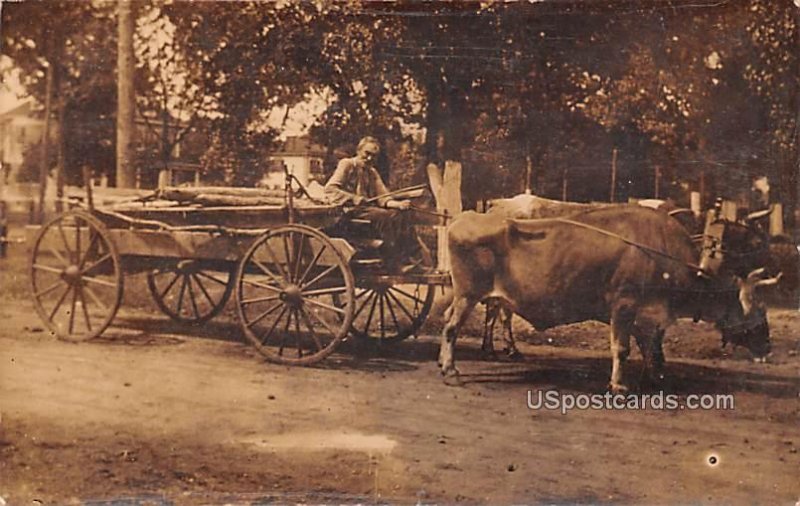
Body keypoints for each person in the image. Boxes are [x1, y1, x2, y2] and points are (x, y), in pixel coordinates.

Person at [324, 136, 419, 270]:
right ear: (359, 150)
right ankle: (392, 262)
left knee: (401, 214)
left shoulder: (372, 172)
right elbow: (330, 189)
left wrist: (399, 205)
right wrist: (355, 198)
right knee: (386, 216)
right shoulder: (347, 164)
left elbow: (383, 197)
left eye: (374, 156)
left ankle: (410, 256)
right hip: (346, 214)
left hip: (365, 213)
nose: (369, 159)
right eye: (367, 154)